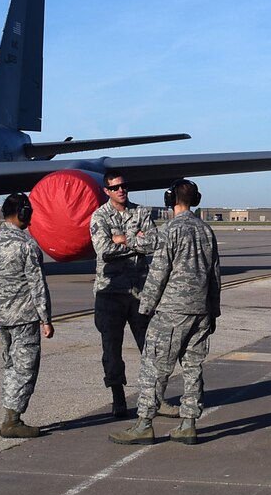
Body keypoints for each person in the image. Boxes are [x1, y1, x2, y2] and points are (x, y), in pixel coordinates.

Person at [111, 178, 220, 447]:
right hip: (200, 310)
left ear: (170, 200)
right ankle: (189, 424)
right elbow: (214, 274)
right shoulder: (206, 230)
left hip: (172, 310)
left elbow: (159, 272)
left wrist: (145, 307)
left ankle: (144, 424)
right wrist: (213, 311)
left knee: (154, 367)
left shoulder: (170, 230)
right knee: (193, 367)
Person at [0, 192, 52, 438]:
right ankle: (12, 420)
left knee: (10, 366)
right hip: (24, 317)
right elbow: (37, 285)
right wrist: (46, 319)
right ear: (23, 213)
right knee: (25, 368)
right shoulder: (26, 244)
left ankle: (10, 415)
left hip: (2, 318)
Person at [89, 175, 161, 417]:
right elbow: (104, 250)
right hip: (110, 294)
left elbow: (154, 243)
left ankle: (155, 397)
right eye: (115, 187)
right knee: (111, 350)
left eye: (124, 186)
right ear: (106, 191)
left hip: (139, 293)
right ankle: (118, 398)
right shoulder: (100, 216)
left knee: (150, 348)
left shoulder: (141, 212)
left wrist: (122, 240)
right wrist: (136, 241)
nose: (121, 190)